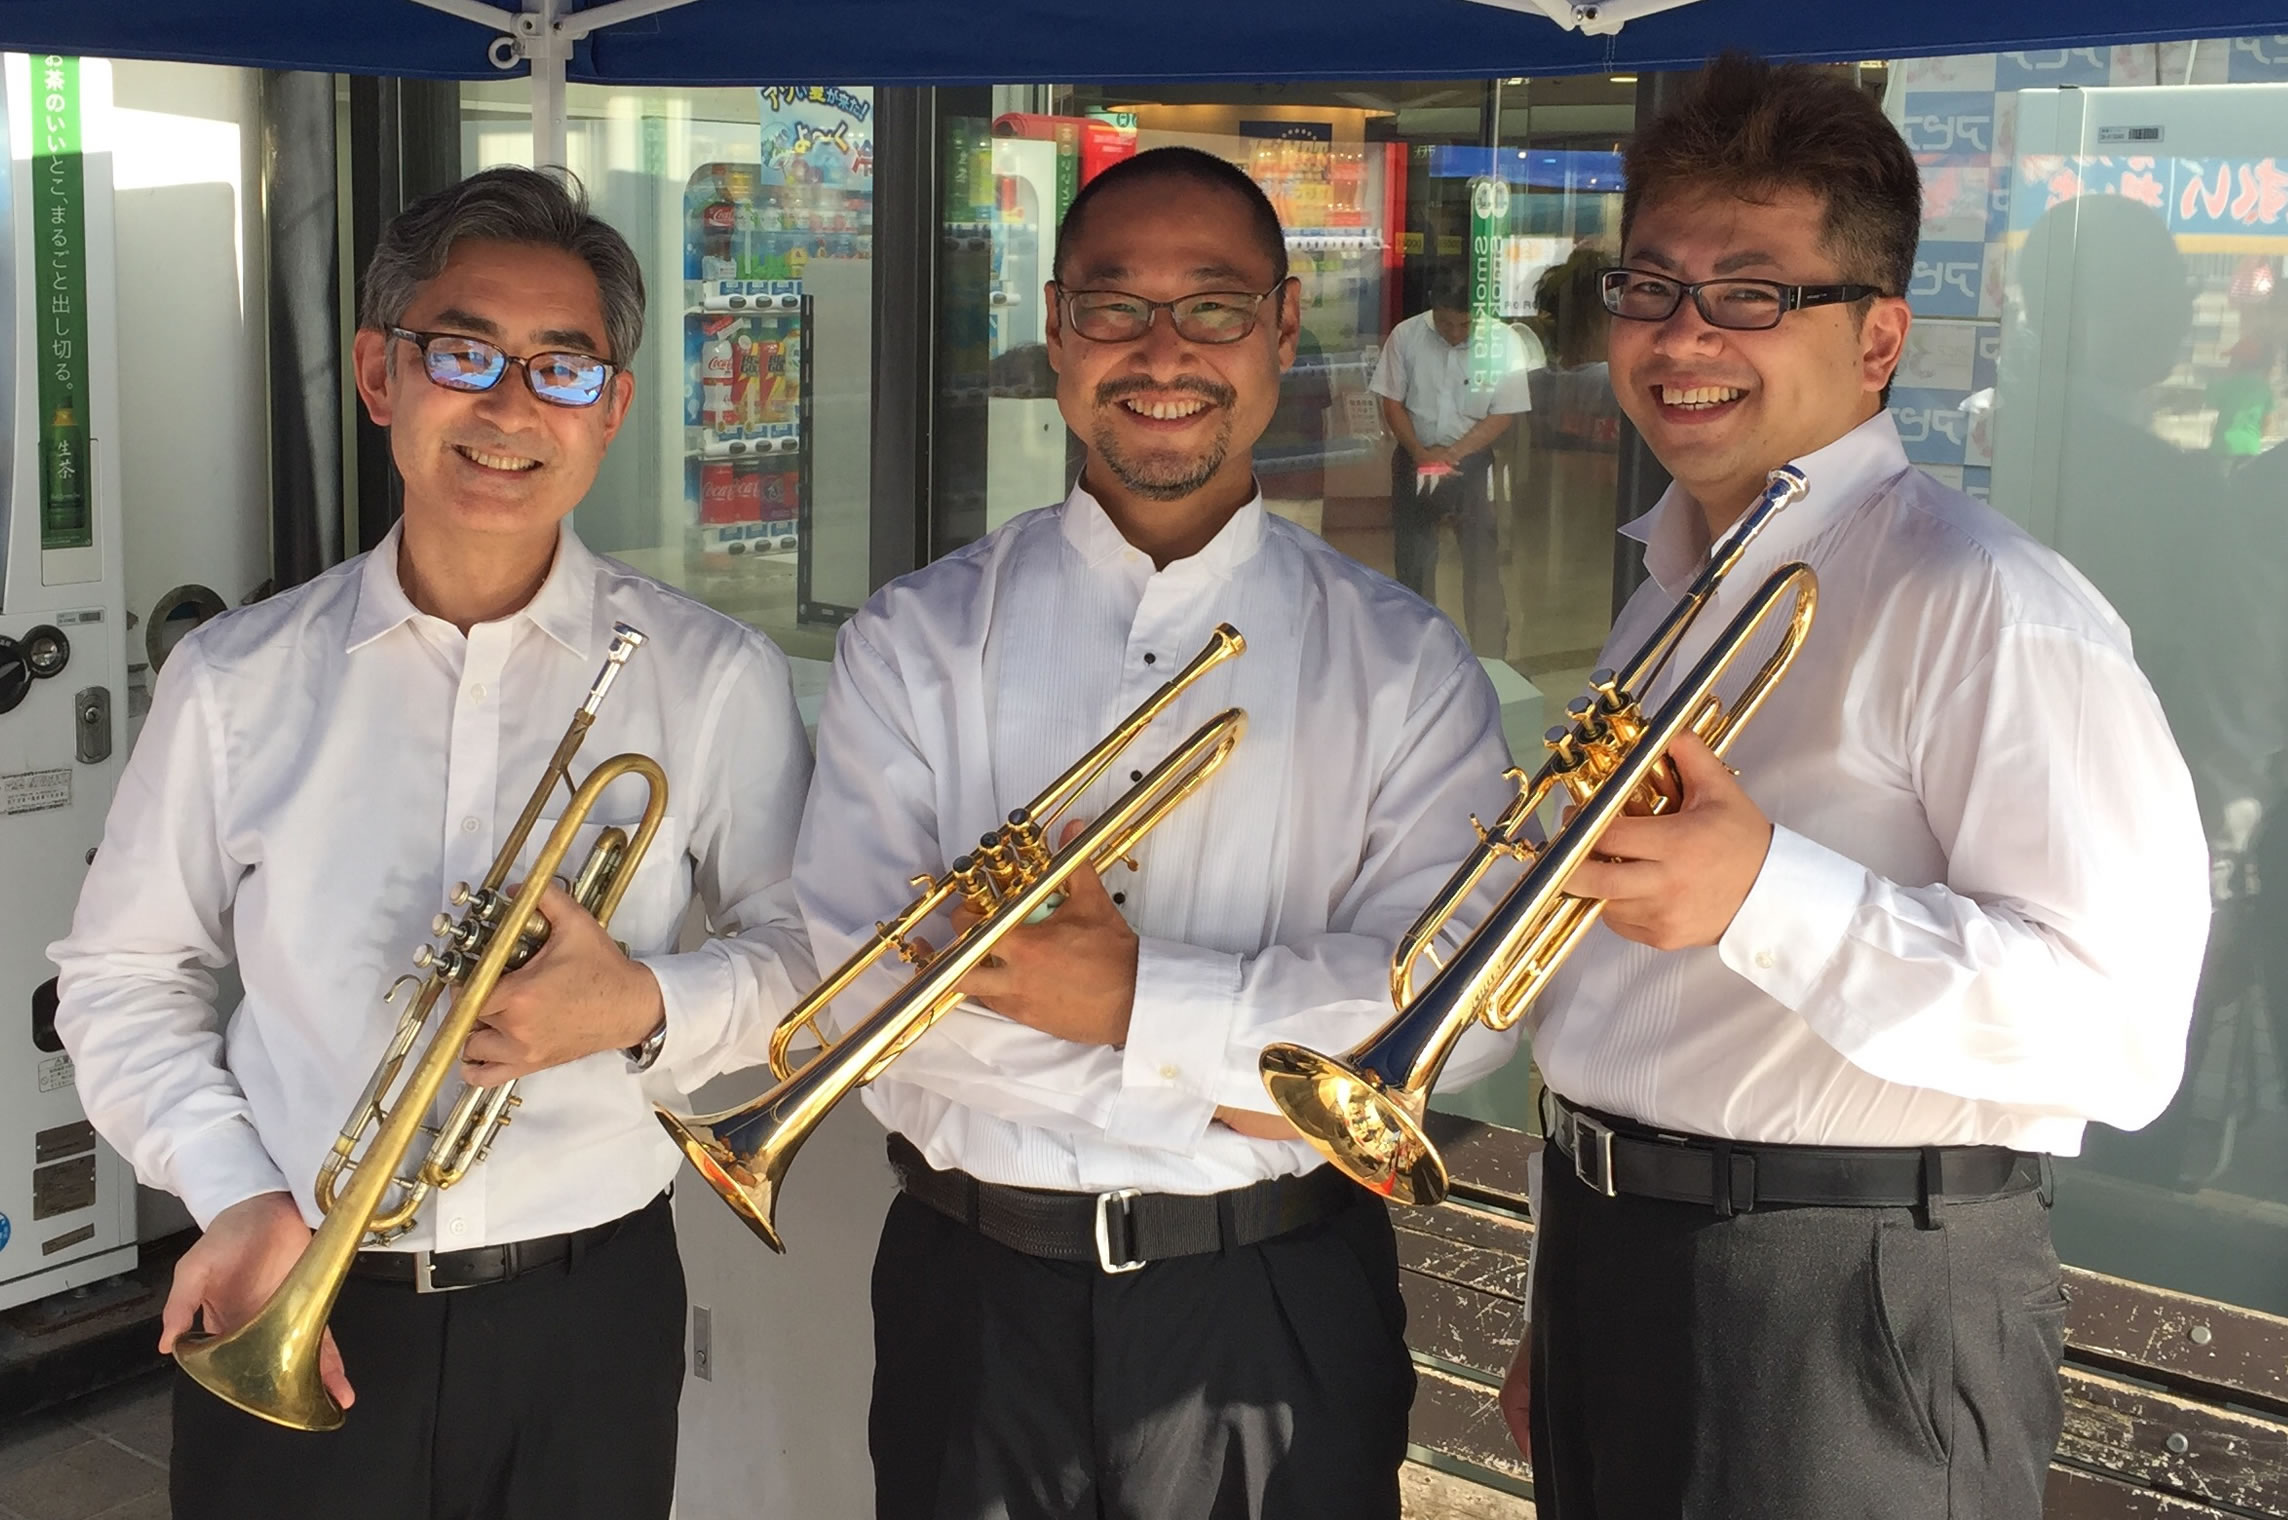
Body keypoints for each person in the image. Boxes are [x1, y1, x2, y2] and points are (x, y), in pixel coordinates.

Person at [1496, 56, 2210, 1519]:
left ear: (1878, 338)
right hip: (1615, 1258)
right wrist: (1558, 1297)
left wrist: (1764, 894)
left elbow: (2120, 1032)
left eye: (1751, 293)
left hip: (1845, 1301)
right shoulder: (1674, 580)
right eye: (1649, 286)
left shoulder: (1989, 604)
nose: (1682, 334)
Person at [49, 167, 817, 1520]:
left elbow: (814, 961)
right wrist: (232, 1192)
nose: (511, 408)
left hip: (587, 1312)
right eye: (463, 352)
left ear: (611, 408)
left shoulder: (710, 677)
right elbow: (121, 980)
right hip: (287, 1274)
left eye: (561, 368)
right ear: (378, 374)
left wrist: (642, 1005)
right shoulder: (234, 679)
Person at [795, 145, 1519, 1520]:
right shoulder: (916, 638)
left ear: (1282, 327)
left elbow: (1452, 1020)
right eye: (1115, 305)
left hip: (1278, 1304)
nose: (1162, 351)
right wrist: (1250, 1076)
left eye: (1214, 305)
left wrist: (1127, 1002)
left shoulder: (1405, 664)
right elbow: (863, 1005)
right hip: (974, 1301)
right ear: (1058, 330)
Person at [1370, 268, 1537, 657]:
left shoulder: (1503, 342)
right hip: (1414, 458)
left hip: (1472, 466)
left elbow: (1504, 413)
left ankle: (1490, 656)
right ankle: (1417, 653)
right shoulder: (1407, 336)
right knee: (1413, 561)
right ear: (1433, 309)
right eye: (1446, 323)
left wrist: (1454, 453)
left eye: (1465, 325)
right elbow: (1392, 401)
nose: (1455, 333)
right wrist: (1420, 452)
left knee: (1481, 565)